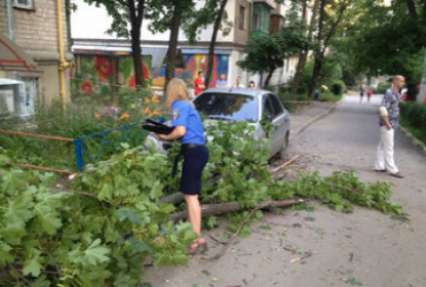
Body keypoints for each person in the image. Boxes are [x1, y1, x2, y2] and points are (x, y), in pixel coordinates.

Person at [157, 78, 209, 253]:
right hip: (199, 151)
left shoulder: (179, 105)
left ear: (171, 92)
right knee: (191, 194)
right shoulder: (188, 104)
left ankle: (196, 239)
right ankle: (195, 236)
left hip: (194, 152)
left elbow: (180, 131)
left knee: (191, 196)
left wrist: (164, 137)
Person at [374, 75, 405, 178]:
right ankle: (392, 169)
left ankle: (379, 165)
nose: (403, 83)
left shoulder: (396, 93)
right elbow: (383, 108)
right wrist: (387, 123)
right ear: (395, 81)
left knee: (382, 145)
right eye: (401, 81)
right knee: (389, 147)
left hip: (391, 122)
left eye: (403, 81)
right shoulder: (389, 92)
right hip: (388, 123)